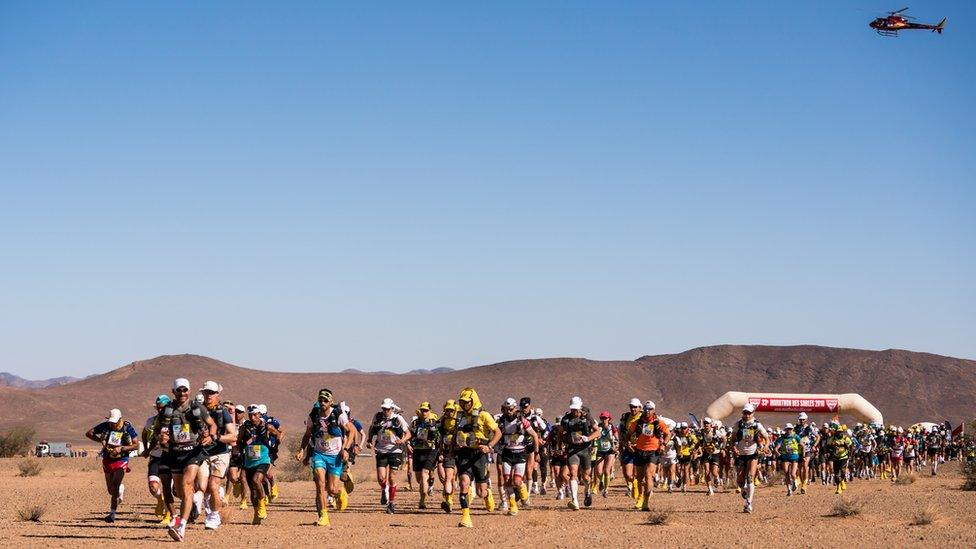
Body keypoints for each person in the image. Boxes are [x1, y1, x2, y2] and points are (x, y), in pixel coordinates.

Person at [150, 377, 218, 542]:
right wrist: (161, 437)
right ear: (173, 391)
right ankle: (192, 503)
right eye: (179, 390)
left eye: (185, 390)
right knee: (181, 491)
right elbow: (157, 430)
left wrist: (211, 436)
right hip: (175, 453)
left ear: (189, 391)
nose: (182, 393)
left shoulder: (197, 409)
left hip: (192, 452)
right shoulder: (167, 411)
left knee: (187, 485)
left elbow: (212, 424)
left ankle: (181, 527)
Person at [297, 388, 354, 527]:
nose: (322, 402)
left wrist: (346, 449)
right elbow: (307, 434)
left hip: (335, 456)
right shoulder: (314, 415)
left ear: (331, 402)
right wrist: (301, 449)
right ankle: (323, 516)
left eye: (325, 400)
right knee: (320, 485)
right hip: (319, 454)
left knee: (332, 489)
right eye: (320, 400)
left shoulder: (338, 415)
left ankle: (341, 492)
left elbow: (351, 431)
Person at [453, 387, 502, 527]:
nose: (463, 405)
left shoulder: (484, 415)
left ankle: (487, 494)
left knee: (481, 491)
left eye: (466, 402)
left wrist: (489, 446)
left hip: (479, 454)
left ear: (473, 401)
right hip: (464, 453)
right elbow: (455, 434)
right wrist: (451, 450)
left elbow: (498, 432)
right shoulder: (460, 416)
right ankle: (466, 518)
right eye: (461, 402)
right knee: (464, 483)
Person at [86, 408, 140, 523]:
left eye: (114, 422)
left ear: (120, 419)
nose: (112, 424)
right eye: (111, 421)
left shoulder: (127, 428)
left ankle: (112, 514)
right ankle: (120, 489)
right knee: (111, 490)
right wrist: (101, 441)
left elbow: (136, 445)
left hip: (122, 459)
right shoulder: (105, 426)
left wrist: (121, 448)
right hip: (107, 458)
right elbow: (89, 433)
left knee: (115, 485)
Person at [196, 381, 236, 530]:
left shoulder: (222, 412)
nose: (208, 395)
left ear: (217, 395)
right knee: (202, 486)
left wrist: (215, 437)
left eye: (211, 393)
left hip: (220, 453)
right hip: (202, 454)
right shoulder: (198, 411)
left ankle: (213, 516)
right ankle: (214, 503)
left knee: (213, 485)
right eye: (206, 392)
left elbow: (232, 437)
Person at [366, 398, 411, 514]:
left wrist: (402, 441)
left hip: (395, 451)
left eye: (387, 409)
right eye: (384, 408)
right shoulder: (378, 417)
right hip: (381, 450)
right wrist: (370, 439)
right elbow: (372, 428)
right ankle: (383, 489)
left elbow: (408, 433)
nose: (385, 411)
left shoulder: (398, 418)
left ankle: (391, 503)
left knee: (392, 477)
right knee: (381, 478)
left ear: (392, 408)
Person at [496, 397, 540, 515]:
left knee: (517, 481)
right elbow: (495, 433)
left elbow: (535, 435)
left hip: (520, 453)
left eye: (510, 409)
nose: (508, 411)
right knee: (507, 480)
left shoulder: (522, 420)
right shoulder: (501, 421)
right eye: (506, 409)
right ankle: (513, 505)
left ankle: (524, 495)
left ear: (515, 408)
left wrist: (536, 452)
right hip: (507, 453)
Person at [237, 404, 279, 524]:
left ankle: (262, 506)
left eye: (255, 415)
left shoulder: (267, 426)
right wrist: (240, 453)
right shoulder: (245, 427)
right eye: (250, 415)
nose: (253, 417)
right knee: (253, 490)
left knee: (257, 481)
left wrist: (273, 448)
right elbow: (239, 441)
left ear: (259, 414)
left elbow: (278, 434)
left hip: (263, 460)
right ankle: (257, 513)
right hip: (249, 460)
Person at [627, 400, 670, 511]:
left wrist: (663, 444)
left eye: (650, 409)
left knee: (648, 475)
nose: (647, 411)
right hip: (640, 450)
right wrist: (628, 444)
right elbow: (628, 434)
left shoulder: (658, 422)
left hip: (653, 451)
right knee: (639, 478)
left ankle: (646, 501)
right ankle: (640, 497)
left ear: (654, 410)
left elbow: (668, 434)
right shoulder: (638, 422)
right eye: (646, 409)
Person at [729, 403, 768, 513]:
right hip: (741, 454)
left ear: (753, 413)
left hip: (753, 454)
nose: (746, 415)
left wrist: (766, 446)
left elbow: (767, 438)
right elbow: (732, 439)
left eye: (749, 413)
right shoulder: (738, 424)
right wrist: (734, 448)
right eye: (745, 413)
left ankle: (749, 504)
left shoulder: (757, 425)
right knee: (740, 481)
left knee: (750, 477)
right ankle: (744, 490)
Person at [142, 395, 172, 522]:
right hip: (155, 457)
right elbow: (144, 433)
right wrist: (146, 449)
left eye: (162, 408)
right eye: (158, 408)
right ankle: (160, 500)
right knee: (153, 487)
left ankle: (168, 514)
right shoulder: (151, 421)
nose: (160, 411)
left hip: (169, 457)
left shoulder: (174, 421)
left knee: (167, 487)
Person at [409, 402, 440, 509]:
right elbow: (409, 434)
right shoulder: (415, 423)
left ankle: (422, 500)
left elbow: (439, 437)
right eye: (422, 410)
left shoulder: (434, 422)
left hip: (430, 450)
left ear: (430, 411)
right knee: (419, 479)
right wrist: (408, 444)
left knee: (424, 474)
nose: (424, 412)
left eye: (426, 410)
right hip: (418, 450)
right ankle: (424, 489)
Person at [437, 400, 460, 513]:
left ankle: (458, 497)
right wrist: (441, 451)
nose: (449, 412)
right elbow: (441, 437)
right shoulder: (443, 421)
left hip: (461, 452)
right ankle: (449, 501)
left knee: (455, 478)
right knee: (449, 477)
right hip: (448, 452)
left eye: (451, 410)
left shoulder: (459, 420)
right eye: (447, 410)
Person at [618, 398, 643, 501]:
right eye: (631, 407)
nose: (633, 409)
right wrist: (624, 444)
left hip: (640, 449)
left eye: (635, 407)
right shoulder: (625, 418)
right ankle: (633, 485)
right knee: (628, 474)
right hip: (628, 448)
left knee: (639, 474)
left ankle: (639, 492)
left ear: (639, 408)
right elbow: (622, 432)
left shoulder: (643, 418)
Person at [593, 411, 618, 498]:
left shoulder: (612, 427)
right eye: (602, 418)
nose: (604, 420)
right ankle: (602, 481)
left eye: (605, 418)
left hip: (610, 450)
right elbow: (593, 436)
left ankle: (606, 490)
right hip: (600, 450)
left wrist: (616, 445)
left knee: (607, 470)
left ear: (609, 418)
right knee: (598, 471)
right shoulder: (598, 427)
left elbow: (616, 437)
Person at [698, 417, 725, 495]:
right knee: (706, 471)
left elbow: (724, 438)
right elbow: (700, 442)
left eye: (707, 423)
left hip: (715, 453)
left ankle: (717, 478)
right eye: (705, 423)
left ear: (711, 424)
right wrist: (695, 449)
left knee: (714, 472)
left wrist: (722, 448)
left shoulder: (715, 432)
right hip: (706, 453)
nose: (706, 424)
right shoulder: (702, 432)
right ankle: (710, 490)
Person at [826, 423, 853, 494]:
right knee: (836, 474)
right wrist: (829, 451)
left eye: (841, 432)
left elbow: (851, 446)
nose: (839, 433)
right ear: (836, 432)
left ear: (842, 432)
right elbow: (827, 446)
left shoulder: (845, 438)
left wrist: (850, 454)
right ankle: (838, 487)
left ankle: (842, 481)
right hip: (835, 458)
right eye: (838, 432)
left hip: (844, 457)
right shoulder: (832, 438)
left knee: (843, 471)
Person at [776, 423, 801, 496]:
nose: (789, 430)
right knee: (786, 473)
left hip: (794, 457)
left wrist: (803, 454)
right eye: (787, 429)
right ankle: (789, 490)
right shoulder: (782, 438)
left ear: (792, 429)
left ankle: (795, 482)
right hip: (785, 457)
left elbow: (802, 444)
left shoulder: (796, 436)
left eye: (790, 429)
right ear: (785, 430)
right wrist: (776, 451)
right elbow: (777, 447)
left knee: (793, 474)